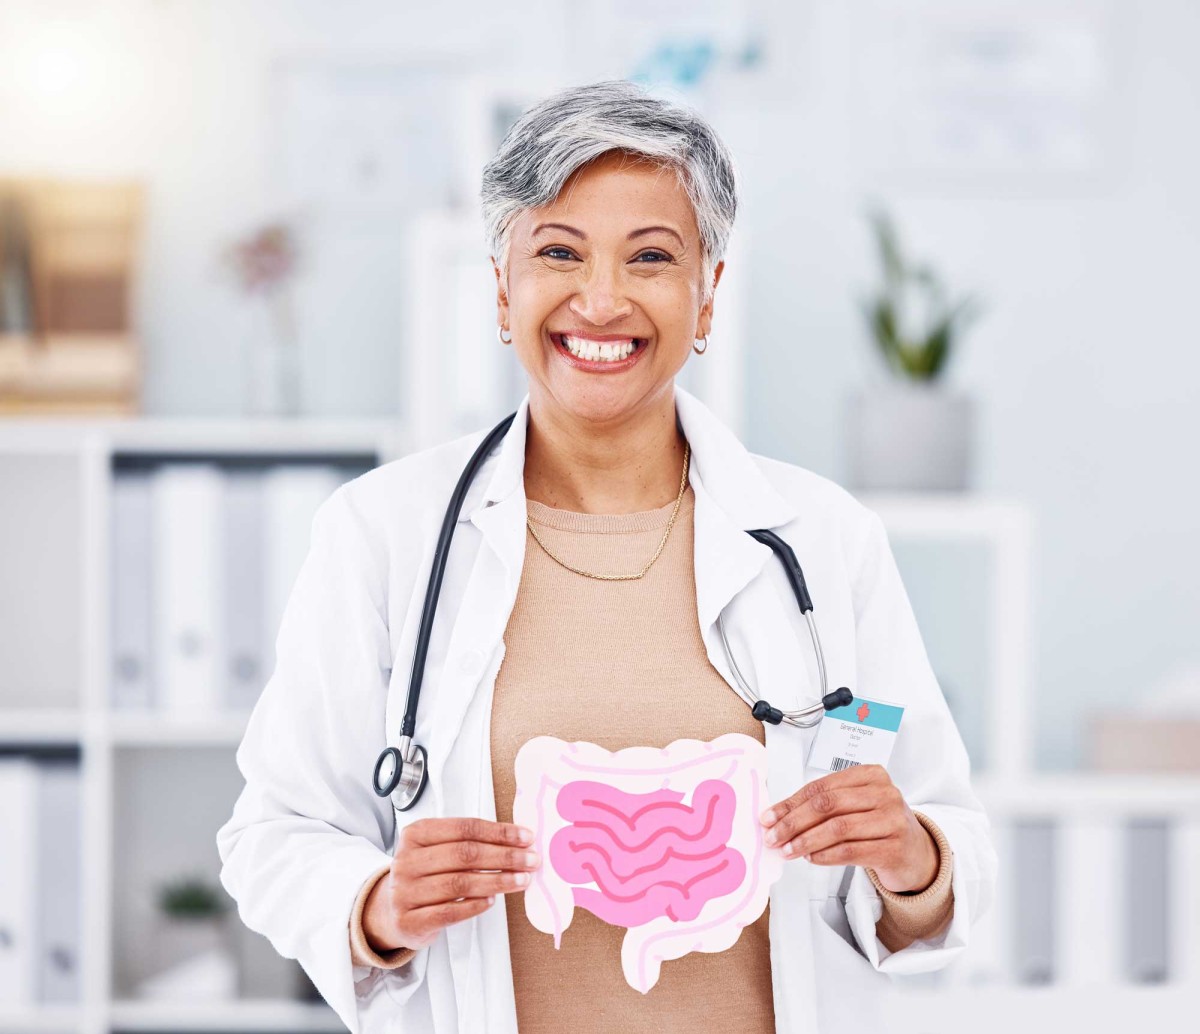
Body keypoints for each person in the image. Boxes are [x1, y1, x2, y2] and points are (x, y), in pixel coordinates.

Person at [216, 79, 996, 1034]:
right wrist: (376, 905)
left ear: (708, 293)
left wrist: (912, 856)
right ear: (502, 288)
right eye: (558, 252)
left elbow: (945, 857)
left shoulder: (823, 539)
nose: (601, 298)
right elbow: (274, 834)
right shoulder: (383, 534)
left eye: (652, 258)